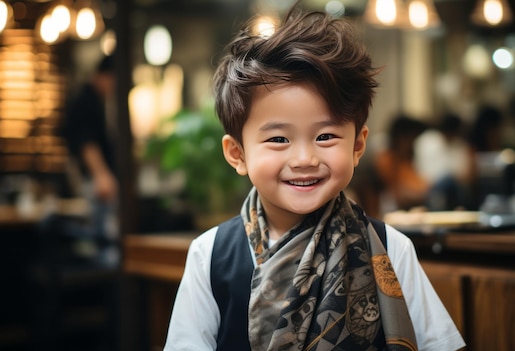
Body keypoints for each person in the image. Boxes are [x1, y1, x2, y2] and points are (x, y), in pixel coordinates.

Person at [165, 6, 465, 351]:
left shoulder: (390, 248)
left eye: (325, 137)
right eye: (278, 139)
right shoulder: (210, 255)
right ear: (238, 154)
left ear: (358, 145)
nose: (305, 159)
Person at [58, 54, 119, 266]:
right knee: (100, 242)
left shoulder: (94, 100)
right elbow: (87, 143)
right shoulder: (86, 100)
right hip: (94, 184)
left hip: (94, 182)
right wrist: (102, 175)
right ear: (105, 76)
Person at [374, 114, 430, 213]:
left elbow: (422, 186)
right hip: (391, 212)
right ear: (401, 138)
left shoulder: (407, 160)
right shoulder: (387, 159)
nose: (413, 144)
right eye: (412, 139)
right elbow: (399, 195)